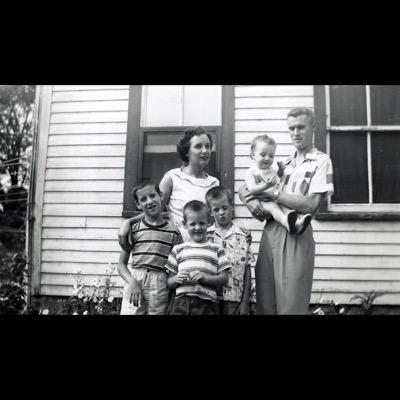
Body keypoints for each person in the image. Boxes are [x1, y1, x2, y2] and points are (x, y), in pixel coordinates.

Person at [239, 107, 334, 315]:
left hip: (296, 232)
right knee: (266, 301)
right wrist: (247, 200)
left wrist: (273, 195)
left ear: (313, 127)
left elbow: (311, 205)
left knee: (290, 305)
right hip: (271, 231)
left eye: (301, 127)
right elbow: (248, 183)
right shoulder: (283, 164)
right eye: (291, 128)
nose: (296, 133)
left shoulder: (321, 161)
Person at [118, 126, 220, 247]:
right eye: (198, 146)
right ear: (187, 151)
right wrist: (129, 222)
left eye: (208, 146)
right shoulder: (173, 178)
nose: (205, 151)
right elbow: (154, 211)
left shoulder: (214, 183)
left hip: (209, 244)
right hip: (180, 243)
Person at [117, 178, 183, 315]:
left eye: (152, 195)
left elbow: (175, 272)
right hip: (135, 281)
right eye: (143, 199)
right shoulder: (133, 229)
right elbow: (121, 265)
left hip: (160, 286)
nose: (150, 201)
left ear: (161, 195)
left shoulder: (174, 232)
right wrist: (132, 282)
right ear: (138, 205)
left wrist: (172, 301)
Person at [166, 200, 231, 315]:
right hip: (182, 303)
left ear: (209, 222)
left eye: (202, 223)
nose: (197, 227)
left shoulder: (217, 250)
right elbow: (170, 282)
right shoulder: (178, 250)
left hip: (208, 304)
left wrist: (205, 278)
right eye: (192, 224)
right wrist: (176, 279)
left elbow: (224, 279)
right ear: (184, 224)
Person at [245, 134, 312, 235]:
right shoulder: (252, 171)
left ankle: (298, 222)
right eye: (263, 155)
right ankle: (286, 223)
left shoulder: (270, 169)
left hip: (274, 198)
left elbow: (276, 179)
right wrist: (266, 186)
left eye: (271, 156)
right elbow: (252, 189)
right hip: (263, 201)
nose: (267, 158)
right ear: (253, 155)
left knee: (286, 208)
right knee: (274, 208)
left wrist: (280, 171)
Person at [205, 186, 255, 315]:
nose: (221, 212)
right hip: (209, 297)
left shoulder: (242, 236)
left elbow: (247, 269)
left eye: (225, 208)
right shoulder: (206, 236)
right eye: (216, 209)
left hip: (234, 298)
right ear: (210, 212)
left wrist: (245, 301)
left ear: (232, 206)